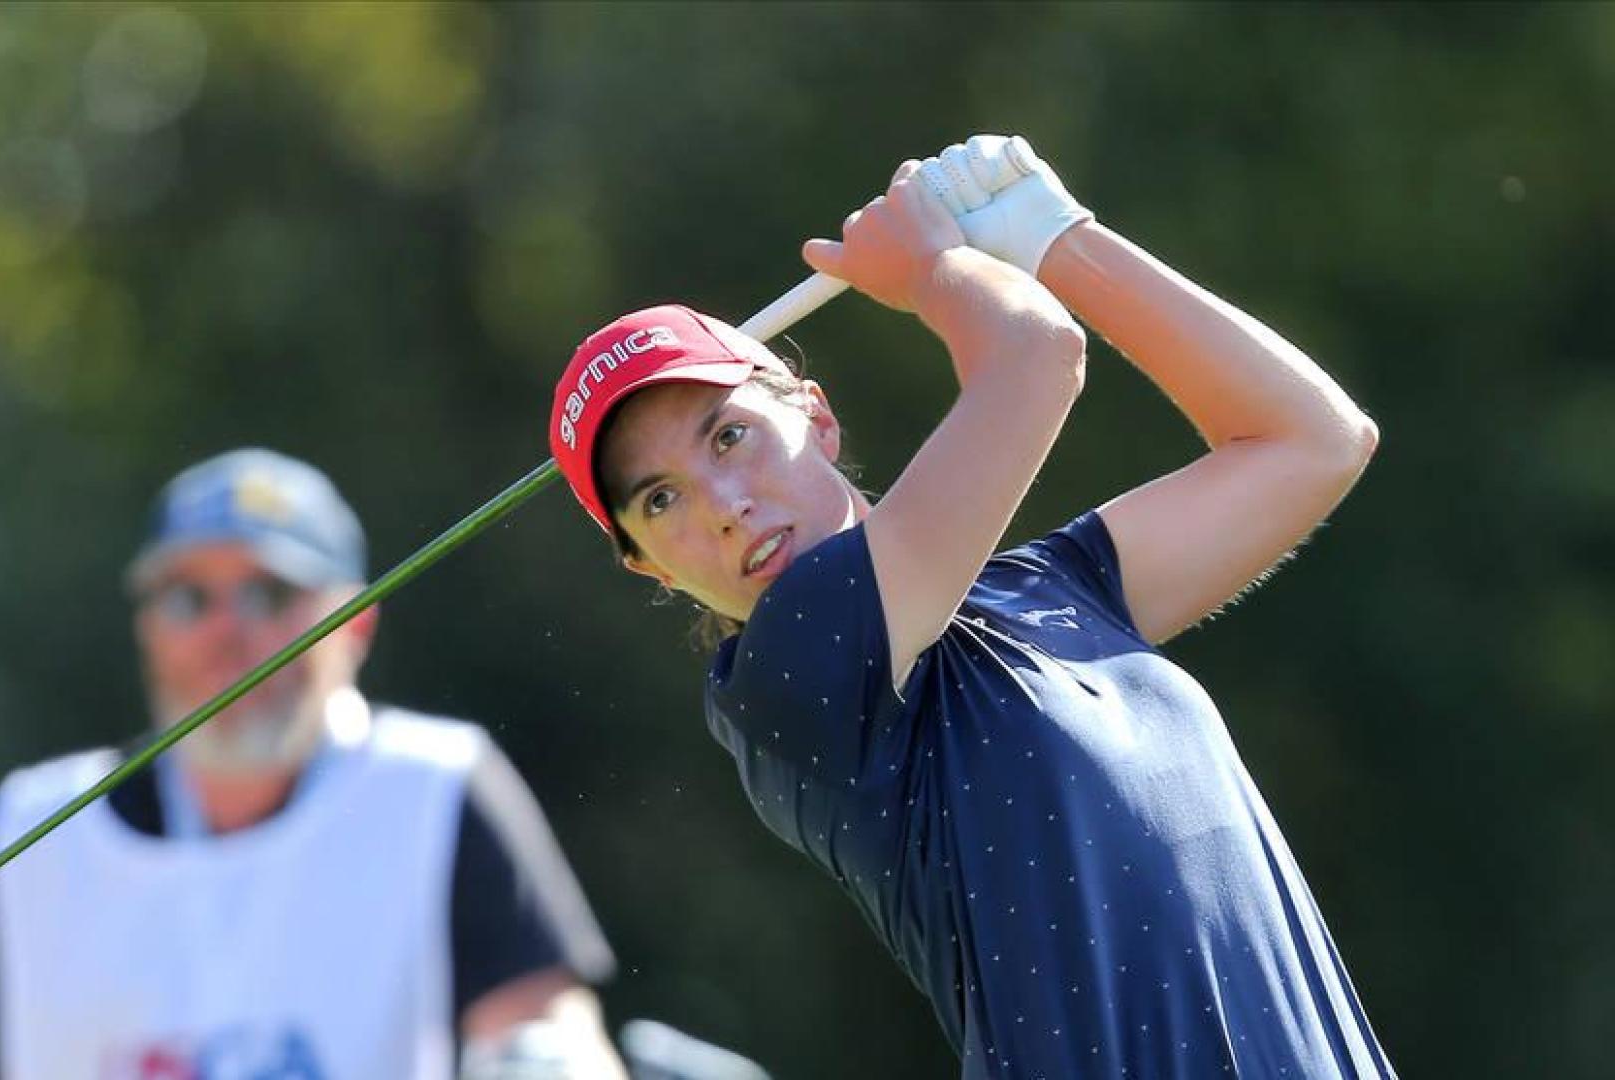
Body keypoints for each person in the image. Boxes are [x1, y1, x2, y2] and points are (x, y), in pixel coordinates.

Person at [545, 135, 1393, 1077]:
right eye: (659, 500)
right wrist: (935, 270)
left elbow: (1311, 439)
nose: (722, 503)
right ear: (649, 566)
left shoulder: (1051, 594)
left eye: (731, 435)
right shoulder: (786, 675)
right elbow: (1036, 354)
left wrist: (1056, 237)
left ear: (815, 416)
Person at [0, 448, 627, 1080]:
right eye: (187, 599)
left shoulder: (436, 784)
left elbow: (539, 1026)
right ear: (147, 629)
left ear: (354, 625)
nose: (227, 633)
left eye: (270, 593)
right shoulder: (44, 822)